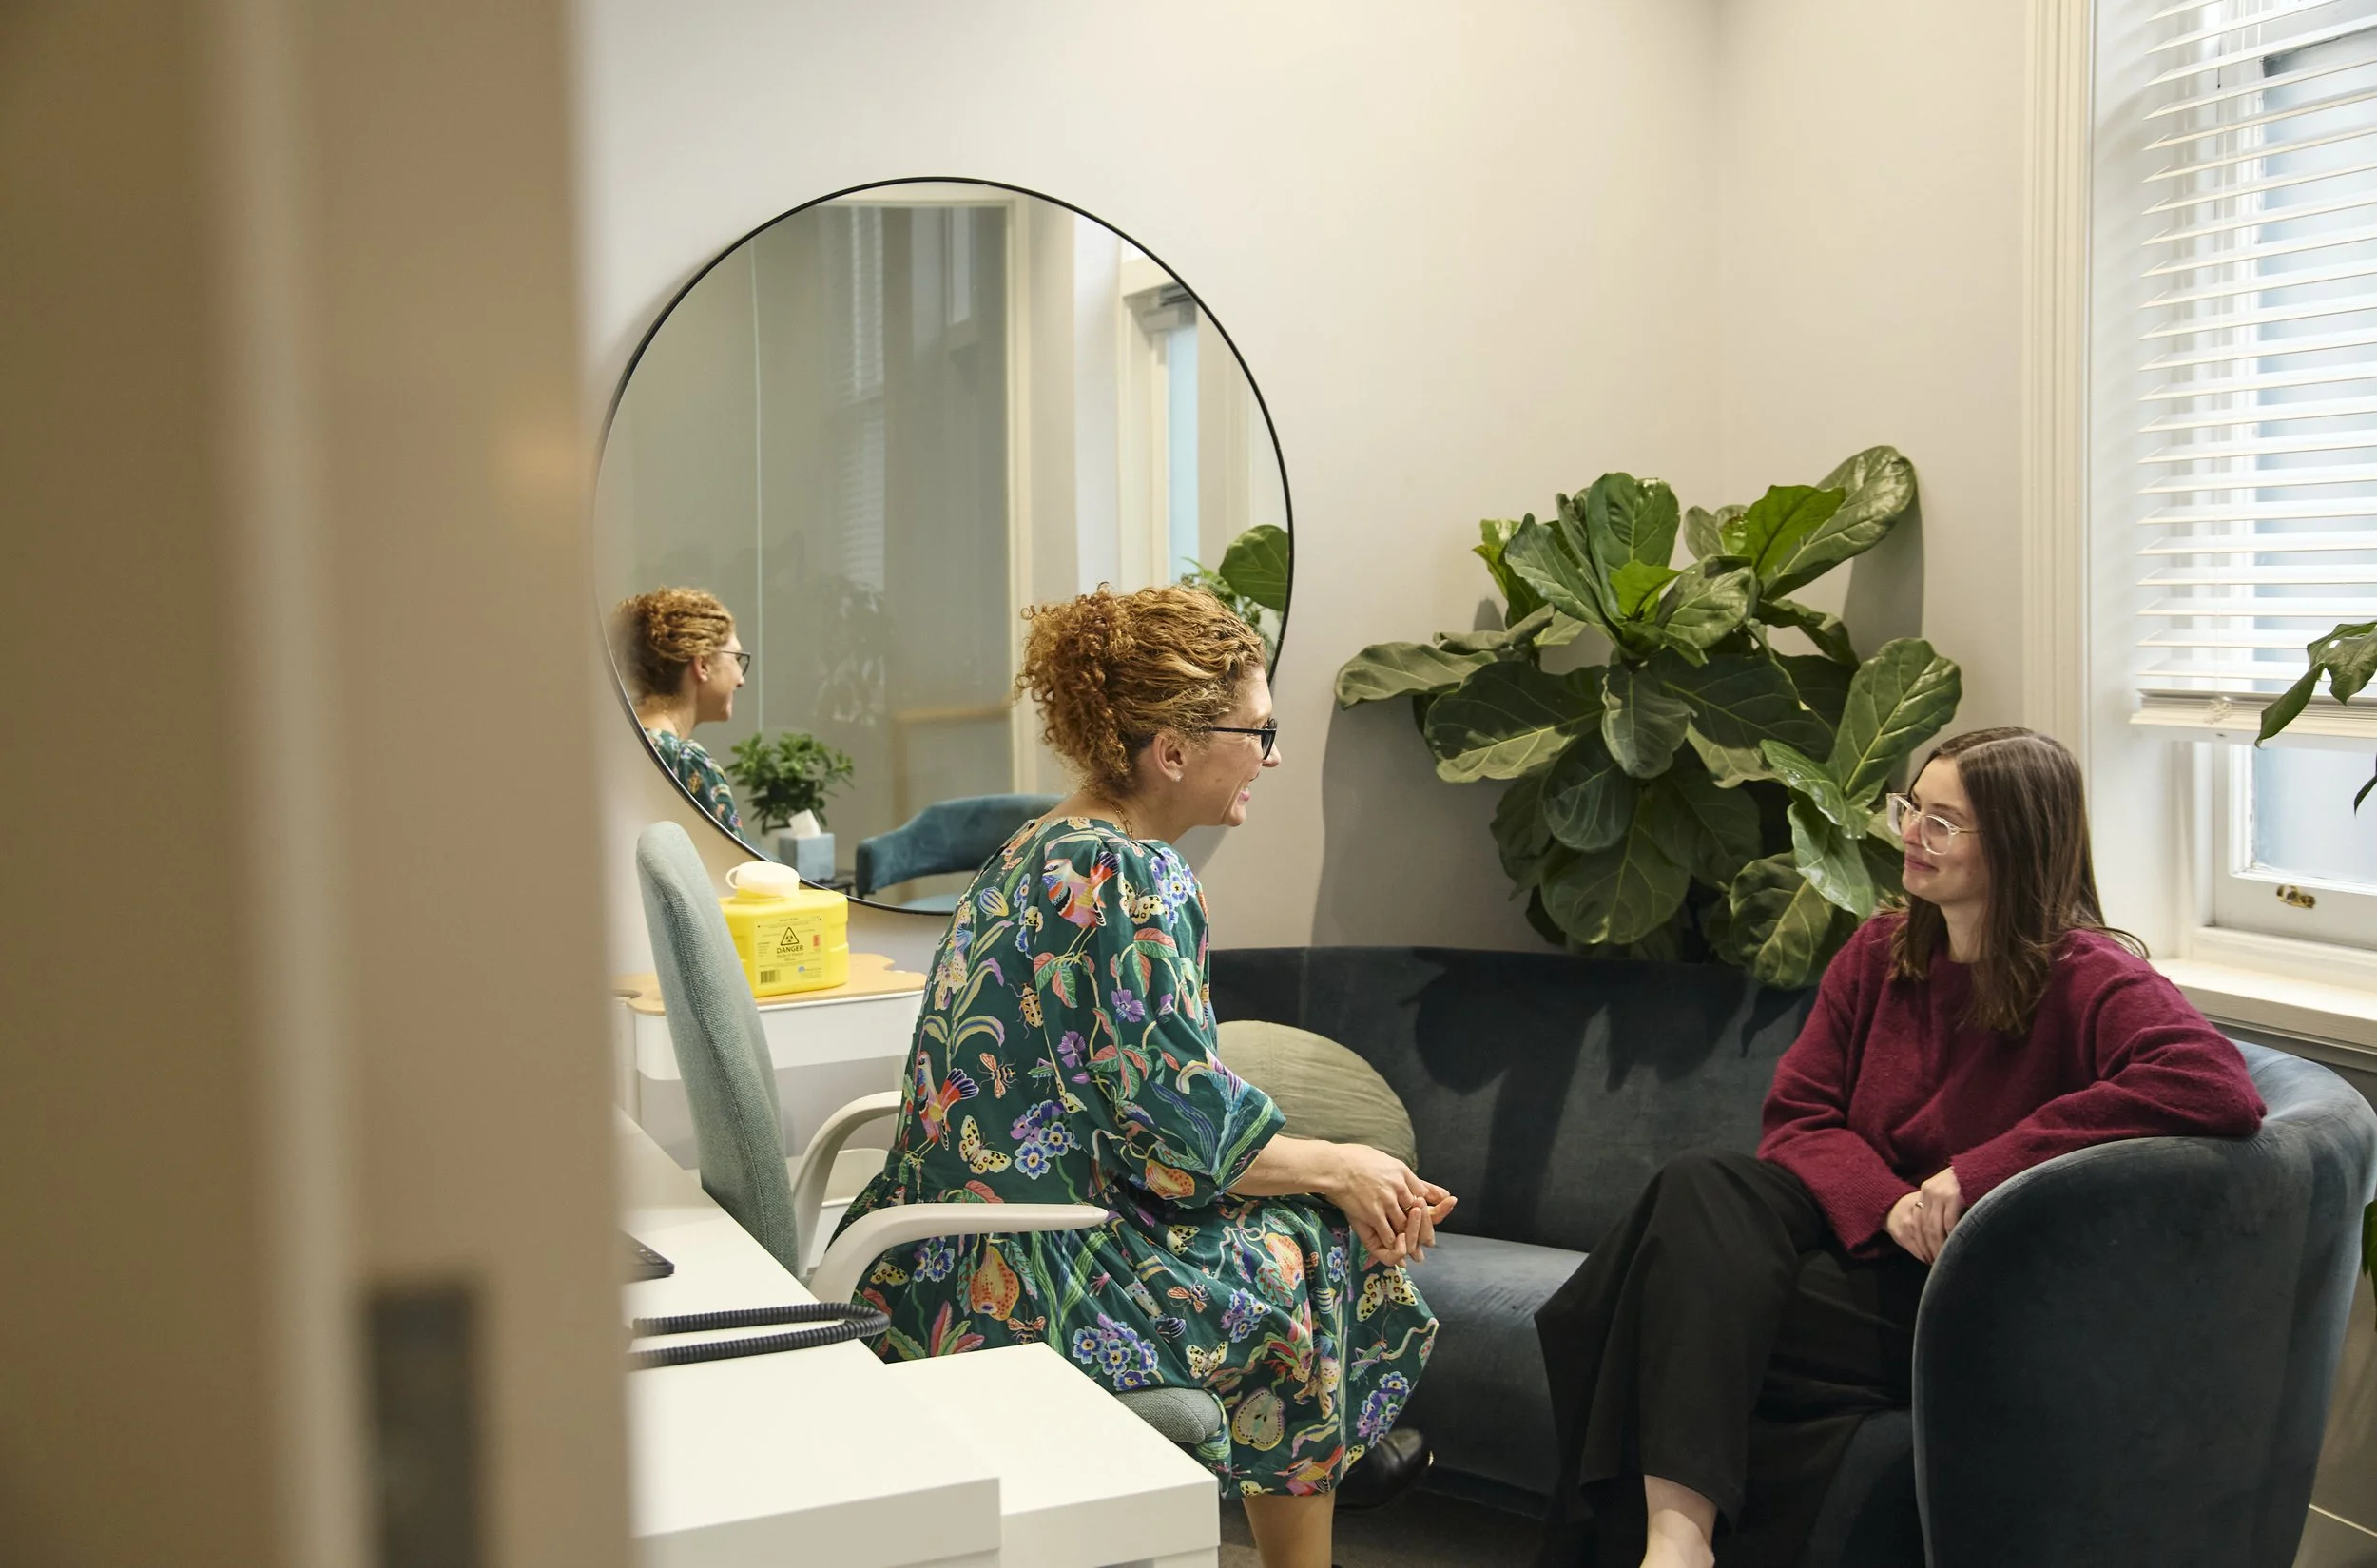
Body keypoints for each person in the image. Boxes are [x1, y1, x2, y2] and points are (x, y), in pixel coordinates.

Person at [1531, 726, 2267, 1568]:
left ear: (2020, 842)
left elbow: (2215, 1084)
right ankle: (1678, 1542)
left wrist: (1980, 1171)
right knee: (1701, 1186)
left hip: (1964, 1290)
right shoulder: (1880, 950)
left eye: (1943, 822)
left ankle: (1656, 1541)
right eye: (1910, 807)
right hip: (1862, 1249)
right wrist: (1892, 1202)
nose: (1911, 833)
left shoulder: (2089, 975)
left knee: (1657, 1291)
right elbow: (1799, 1117)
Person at [837, 585, 1453, 1568]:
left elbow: (1129, 1107)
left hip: (923, 1259)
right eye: (1259, 730)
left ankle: (1327, 1451)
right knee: (1306, 1239)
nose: (1274, 754)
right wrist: (1344, 1164)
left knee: (1314, 1212)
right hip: (1022, 1278)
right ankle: (1320, 1465)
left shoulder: (1034, 847)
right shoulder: (1137, 874)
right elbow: (1180, 1131)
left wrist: (1336, 1168)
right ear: (1172, 750)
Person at [609, 586, 749, 836]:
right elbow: (734, 870)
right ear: (702, 664)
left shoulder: (615, 747)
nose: (741, 679)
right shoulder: (686, 761)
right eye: (736, 659)